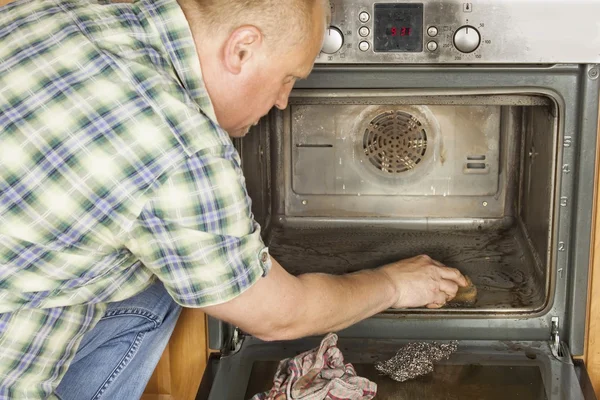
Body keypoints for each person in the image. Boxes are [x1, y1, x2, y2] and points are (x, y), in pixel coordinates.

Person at [0, 0, 468, 398]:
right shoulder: (179, 143)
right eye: (288, 77)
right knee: (201, 285)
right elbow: (279, 317)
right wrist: (392, 284)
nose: (285, 100)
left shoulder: (61, 13)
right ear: (241, 48)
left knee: (167, 282)